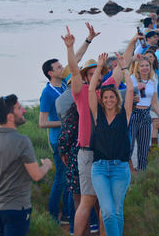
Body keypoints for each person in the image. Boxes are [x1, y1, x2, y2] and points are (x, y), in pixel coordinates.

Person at [40, 23, 100, 225]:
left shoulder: (64, 85)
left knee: (72, 180)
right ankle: (55, 215)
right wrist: (68, 122)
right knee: (63, 179)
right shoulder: (48, 93)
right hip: (60, 140)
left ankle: (68, 215)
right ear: (50, 73)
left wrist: (88, 39)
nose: (61, 68)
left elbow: (76, 62)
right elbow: (42, 122)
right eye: (58, 67)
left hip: (74, 136)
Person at [0, 94, 52, 236]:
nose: (24, 111)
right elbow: (36, 175)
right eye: (19, 108)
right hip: (17, 208)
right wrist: (47, 165)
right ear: (10, 116)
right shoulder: (22, 142)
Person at [62, 24, 103, 236]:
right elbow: (73, 69)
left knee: (101, 203)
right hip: (86, 151)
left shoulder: (105, 94)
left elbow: (122, 75)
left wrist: (131, 49)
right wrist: (71, 47)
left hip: (104, 153)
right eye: (92, 73)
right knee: (84, 200)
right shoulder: (81, 92)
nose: (96, 76)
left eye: (99, 73)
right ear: (86, 76)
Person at [88, 52, 133, 236]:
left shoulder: (124, 116)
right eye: (105, 98)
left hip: (119, 168)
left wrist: (124, 68)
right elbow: (91, 91)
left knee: (117, 211)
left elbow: (130, 89)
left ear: (117, 99)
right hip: (99, 168)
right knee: (107, 211)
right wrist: (99, 67)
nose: (108, 100)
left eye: (111, 97)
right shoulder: (97, 115)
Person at [129, 55, 159, 170]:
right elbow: (124, 97)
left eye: (147, 65)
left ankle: (142, 174)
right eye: (142, 66)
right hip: (134, 114)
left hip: (146, 115)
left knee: (144, 148)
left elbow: (154, 103)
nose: (145, 68)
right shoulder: (132, 79)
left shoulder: (153, 81)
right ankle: (128, 175)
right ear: (137, 67)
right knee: (129, 147)